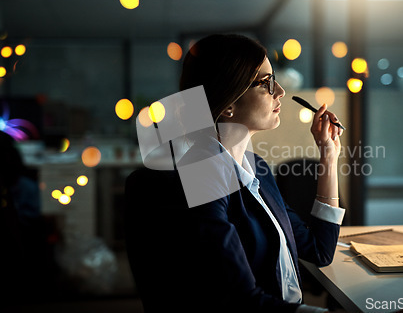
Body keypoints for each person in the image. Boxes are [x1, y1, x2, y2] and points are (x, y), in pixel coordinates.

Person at [131, 34, 345, 313]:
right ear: (228, 103)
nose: (279, 91)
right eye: (266, 82)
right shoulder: (199, 179)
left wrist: (329, 155)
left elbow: (319, 250)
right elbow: (244, 303)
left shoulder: (257, 169)